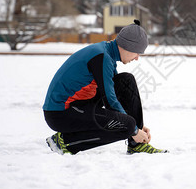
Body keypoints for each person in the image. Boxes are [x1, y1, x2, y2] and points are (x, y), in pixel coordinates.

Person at [43, 20, 168, 155]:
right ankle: (65, 142)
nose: (137, 58)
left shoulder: (106, 53)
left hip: (79, 106)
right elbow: (110, 101)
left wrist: (138, 127)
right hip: (61, 114)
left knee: (126, 81)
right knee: (126, 126)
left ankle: (137, 145)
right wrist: (133, 130)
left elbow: (117, 91)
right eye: (137, 52)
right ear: (127, 46)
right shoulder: (102, 57)